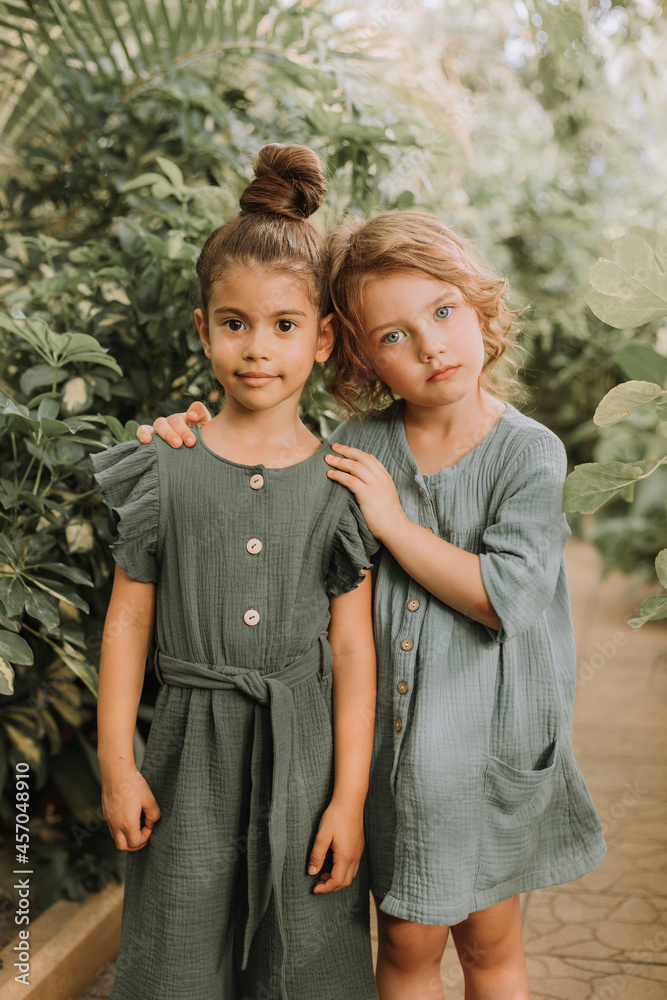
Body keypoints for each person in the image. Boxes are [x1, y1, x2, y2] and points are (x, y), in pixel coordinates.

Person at [140, 209, 606, 1000]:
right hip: (387, 765)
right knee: (404, 948)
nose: (428, 346)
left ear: (478, 304)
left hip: (485, 752)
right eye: (392, 335)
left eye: (442, 312)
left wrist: (391, 521)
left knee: (490, 947)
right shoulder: (356, 449)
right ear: (353, 352)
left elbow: (506, 599)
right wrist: (187, 435)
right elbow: (264, 466)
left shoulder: (527, 451)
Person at [92, 143, 380, 1000]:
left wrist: (349, 798)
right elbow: (128, 622)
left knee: (303, 963)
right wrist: (117, 759)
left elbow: (354, 652)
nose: (258, 348)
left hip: (305, 761)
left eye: (285, 325)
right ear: (204, 329)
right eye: (234, 323)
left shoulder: (341, 484)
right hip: (186, 757)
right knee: (176, 955)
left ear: (323, 338)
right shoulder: (164, 467)